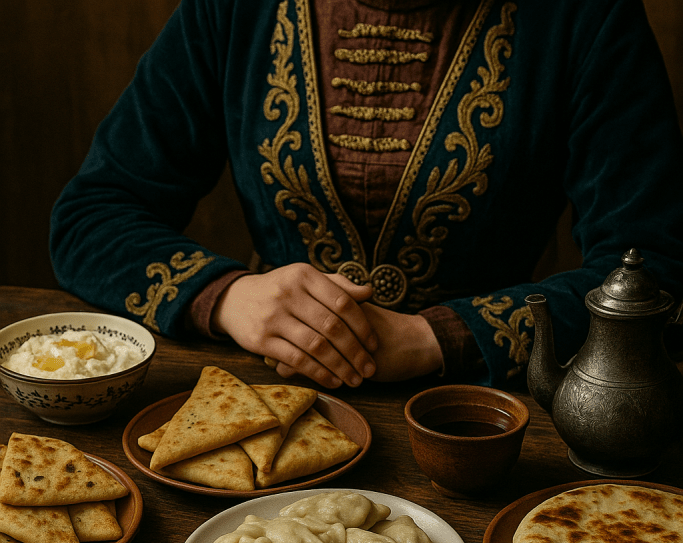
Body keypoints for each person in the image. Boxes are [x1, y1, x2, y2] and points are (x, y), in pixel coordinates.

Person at [50, 0, 683, 392]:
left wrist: (436, 338)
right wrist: (228, 297)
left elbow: (659, 267)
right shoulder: (235, 6)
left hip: (487, 416)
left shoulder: (585, 14)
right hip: (268, 399)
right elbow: (91, 215)